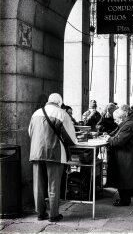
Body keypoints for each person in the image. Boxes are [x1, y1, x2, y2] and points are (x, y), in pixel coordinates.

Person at [28, 93, 78, 222]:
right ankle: (53, 215)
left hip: (36, 152)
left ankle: (40, 213)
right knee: (53, 184)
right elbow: (70, 137)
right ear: (59, 102)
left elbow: (30, 132)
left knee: (38, 184)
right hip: (54, 153)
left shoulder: (36, 113)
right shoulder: (61, 114)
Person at [104, 108, 133, 206]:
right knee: (124, 178)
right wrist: (110, 136)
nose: (115, 122)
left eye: (116, 119)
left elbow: (118, 141)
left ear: (121, 118)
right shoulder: (128, 124)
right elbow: (118, 134)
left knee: (123, 179)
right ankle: (124, 199)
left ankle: (124, 200)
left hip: (125, 157)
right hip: (126, 155)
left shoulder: (127, 126)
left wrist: (109, 139)